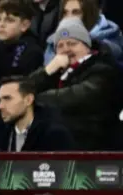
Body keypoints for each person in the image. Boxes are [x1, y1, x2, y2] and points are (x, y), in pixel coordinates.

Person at [27, 17, 120, 150]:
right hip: (57, 143)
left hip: (92, 145)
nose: (66, 49)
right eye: (60, 46)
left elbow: (75, 97)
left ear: (87, 46)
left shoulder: (103, 68)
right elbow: (22, 90)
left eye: (72, 43)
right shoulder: (56, 72)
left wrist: (32, 100)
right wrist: (46, 71)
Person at [0, 75, 74, 151]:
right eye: (0, 100)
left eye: (7, 98)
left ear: (28, 100)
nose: (0, 106)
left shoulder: (55, 135)